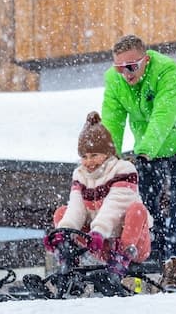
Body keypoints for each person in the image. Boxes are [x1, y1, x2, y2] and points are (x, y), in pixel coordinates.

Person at [101, 34, 176, 292]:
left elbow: (163, 115)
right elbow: (112, 121)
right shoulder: (114, 80)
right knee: (142, 204)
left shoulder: (167, 72)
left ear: (145, 60)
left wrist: (145, 150)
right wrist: (108, 157)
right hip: (148, 149)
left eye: (131, 67)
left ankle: (174, 270)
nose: (126, 74)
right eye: (119, 68)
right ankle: (146, 260)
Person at [45, 111, 153, 276]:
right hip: (99, 244)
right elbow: (76, 208)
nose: (89, 162)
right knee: (62, 212)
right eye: (84, 156)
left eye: (94, 155)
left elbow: (114, 206)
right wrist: (63, 233)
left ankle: (121, 260)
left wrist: (99, 231)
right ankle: (69, 261)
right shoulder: (80, 174)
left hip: (133, 244)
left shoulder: (124, 170)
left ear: (107, 153)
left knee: (137, 210)